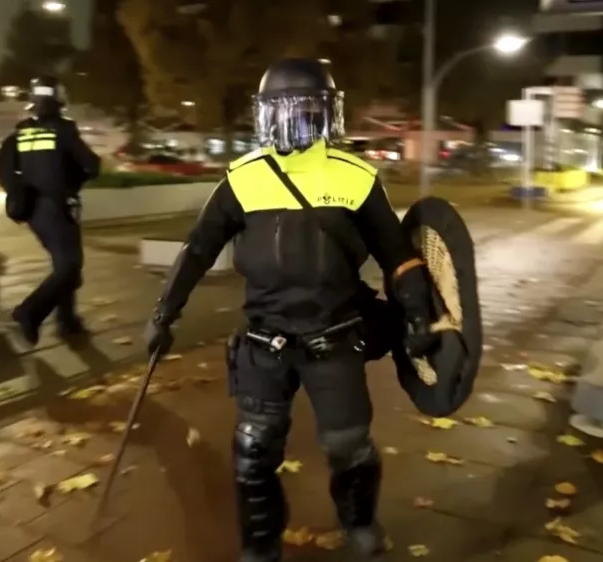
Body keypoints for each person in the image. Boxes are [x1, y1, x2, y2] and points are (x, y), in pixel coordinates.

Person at [142, 59, 439, 562]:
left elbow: (397, 255)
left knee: (349, 446)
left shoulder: (356, 178)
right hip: (265, 342)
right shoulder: (242, 179)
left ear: (326, 116)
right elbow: (197, 249)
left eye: (306, 113)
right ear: (266, 117)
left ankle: (359, 522)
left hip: (336, 337)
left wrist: (417, 316)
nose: (295, 124)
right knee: (253, 454)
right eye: (285, 113)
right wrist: (163, 313)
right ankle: (260, 545)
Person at [0, 75, 101, 345]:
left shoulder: (20, 132)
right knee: (69, 267)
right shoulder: (63, 130)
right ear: (58, 100)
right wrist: (73, 181)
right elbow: (91, 165)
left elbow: (4, 166)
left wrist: (17, 193)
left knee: (63, 264)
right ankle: (29, 313)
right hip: (57, 207)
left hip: (32, 211)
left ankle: (67, 321)